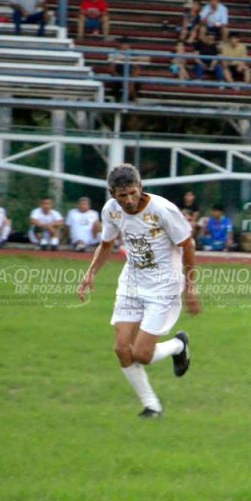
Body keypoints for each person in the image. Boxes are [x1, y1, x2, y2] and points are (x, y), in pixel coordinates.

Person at [77, 164, 198, 419]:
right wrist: (90, 273)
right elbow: (106, 244)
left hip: (164, 285)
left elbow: (188, 245)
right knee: (122, 349)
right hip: (132, 282)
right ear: (112, 194)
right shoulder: (111, 211)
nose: (129, 200)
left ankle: (178, 345)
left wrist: (190, 287)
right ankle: (152, 405)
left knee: (142, 355)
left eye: (133, 193)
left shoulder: (162, 210)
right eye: (122, 196)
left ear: (140, 187)